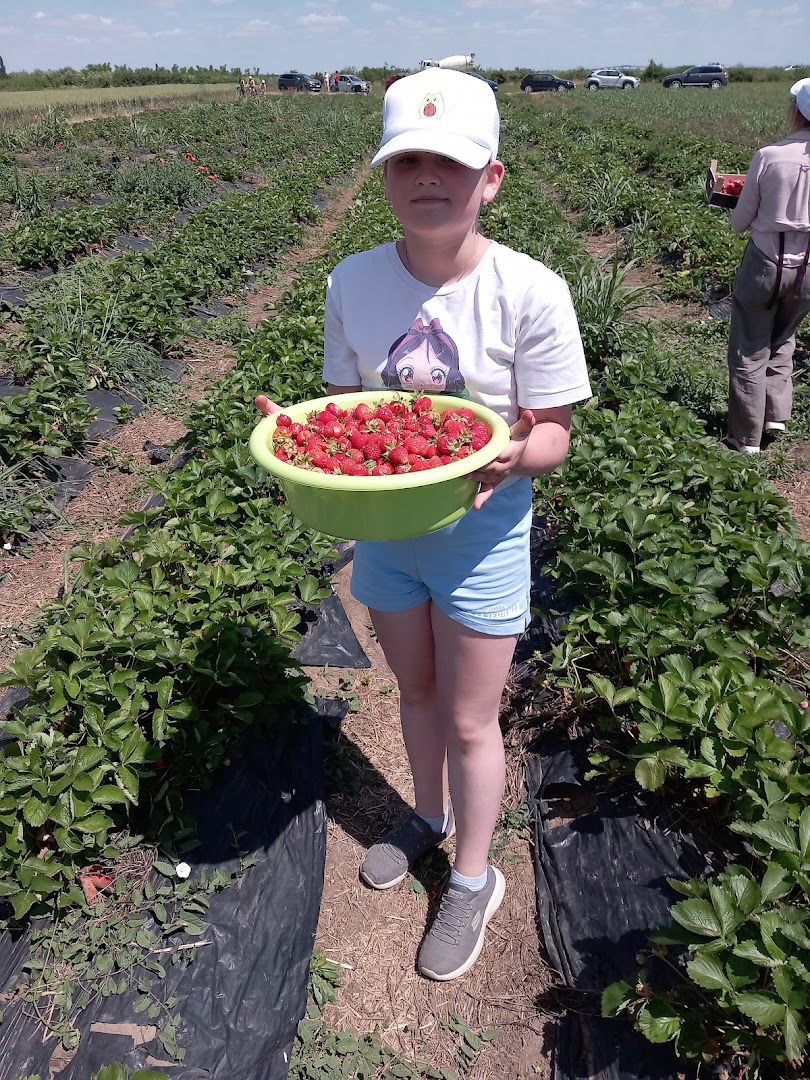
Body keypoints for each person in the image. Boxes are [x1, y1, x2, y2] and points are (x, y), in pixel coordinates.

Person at [256, 68, 591, 980]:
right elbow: (345, 413)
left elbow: (553, 431)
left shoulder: (532, 290)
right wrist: (304, 442)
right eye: (409, 160)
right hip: (386, 533)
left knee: (475, 719)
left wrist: (509, 455)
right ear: (385, 176)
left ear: (492, 179)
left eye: (452, 161)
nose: (428, 177)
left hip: (483, 534)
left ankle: (474, 878)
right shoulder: (353, 279)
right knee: (416, 693)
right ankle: (429, 815)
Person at [726, 77, 810, 453]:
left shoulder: (770, 156)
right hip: (809, 269)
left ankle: (746, 438)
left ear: (796, 111)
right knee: (784, 336)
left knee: (749, 346)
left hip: (765, 263)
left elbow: (740, 221)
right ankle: (776, 414)